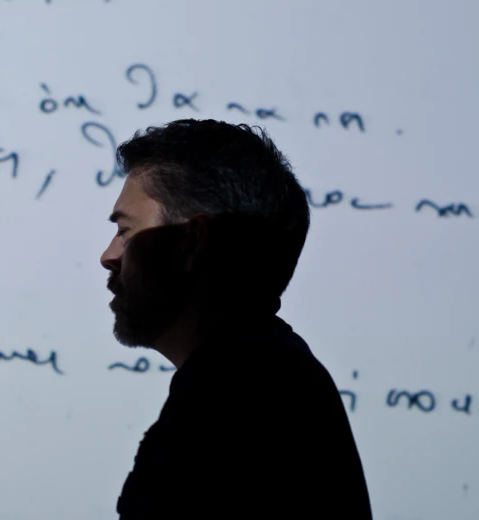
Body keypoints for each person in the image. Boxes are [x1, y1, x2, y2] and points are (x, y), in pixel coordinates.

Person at [100, 119, 373, 519]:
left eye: (126, 231)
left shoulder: (236, 394)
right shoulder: (266, 372)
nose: (109, 255)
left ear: (191, 241)